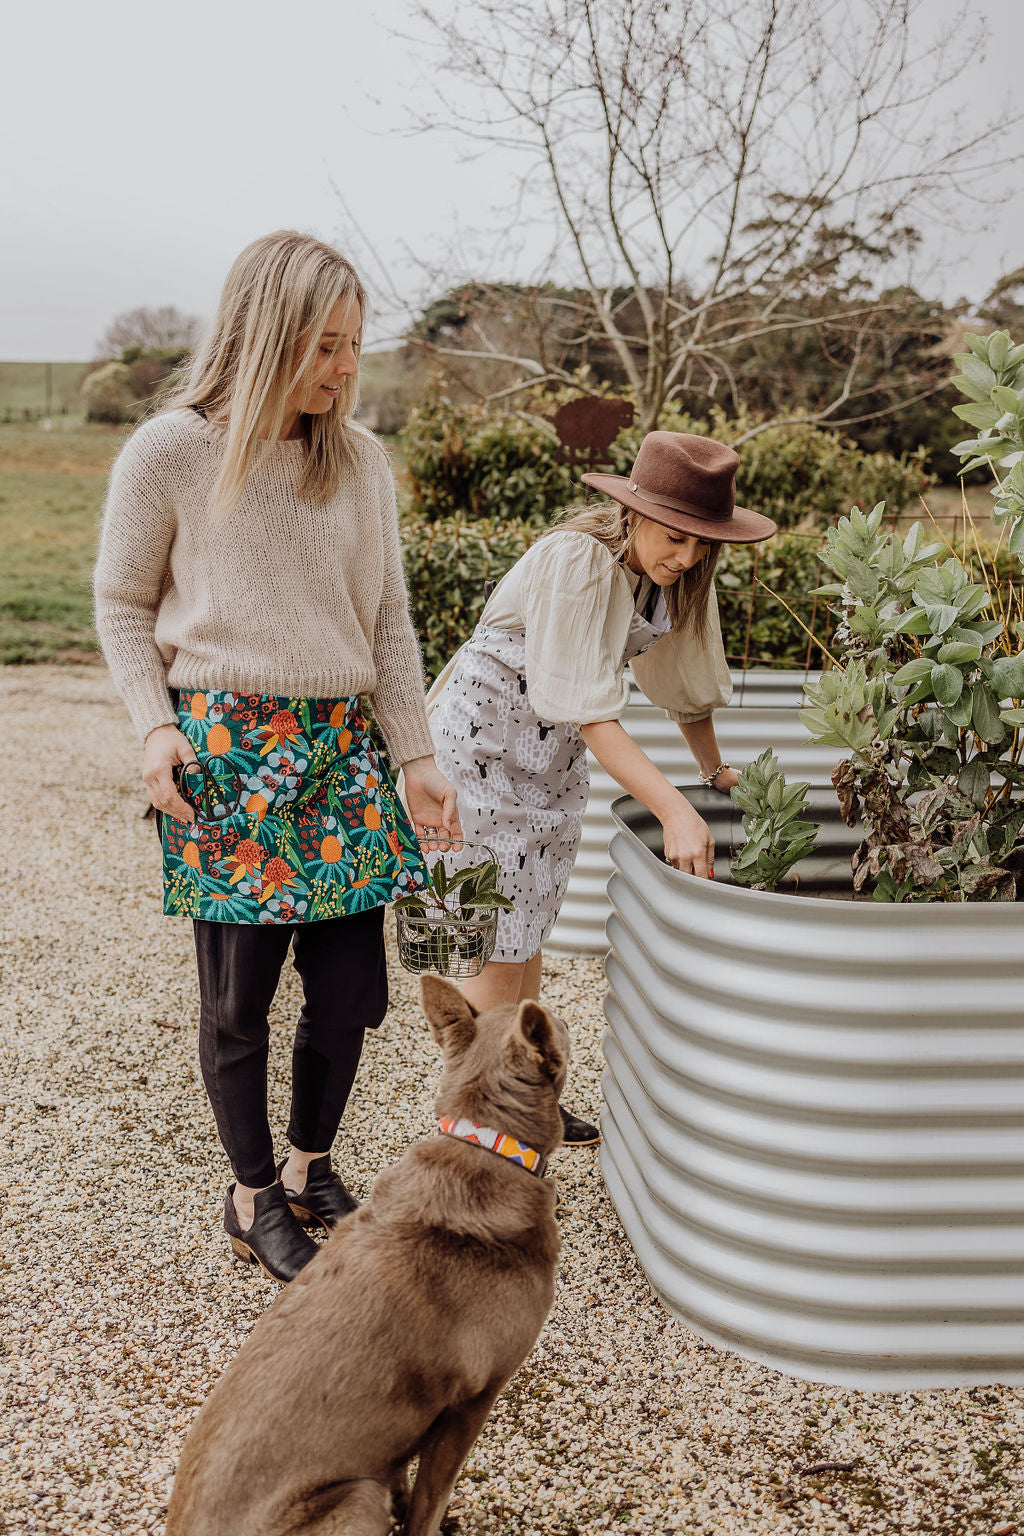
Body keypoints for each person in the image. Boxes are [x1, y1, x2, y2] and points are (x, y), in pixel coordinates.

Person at [94, 230, 460, 1283]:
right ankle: (250, 1195)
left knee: (351, 994)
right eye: (327, 346)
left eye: (355, 344)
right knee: (237, 1002)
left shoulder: (362, 461)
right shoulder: (170, 451)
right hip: (227, 753)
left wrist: (416, 754)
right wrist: (151, 724)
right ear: (263, 336)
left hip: (343, 752)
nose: (349, 367)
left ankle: (308, 1166)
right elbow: (121, 604)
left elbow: (387, 621)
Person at [427, 431, 777, 1142]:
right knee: (493, 940)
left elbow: (684, 687)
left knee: (528, 937)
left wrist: (713, 773)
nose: (686, 556)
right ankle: (479, 1130)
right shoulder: (578, 560)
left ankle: (527, 1099)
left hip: (549, 754)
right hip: (484, 750)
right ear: (634, 512)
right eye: (675, 536)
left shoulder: (672, 578)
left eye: (702, 543)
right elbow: (590, 708)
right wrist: (673, 809)